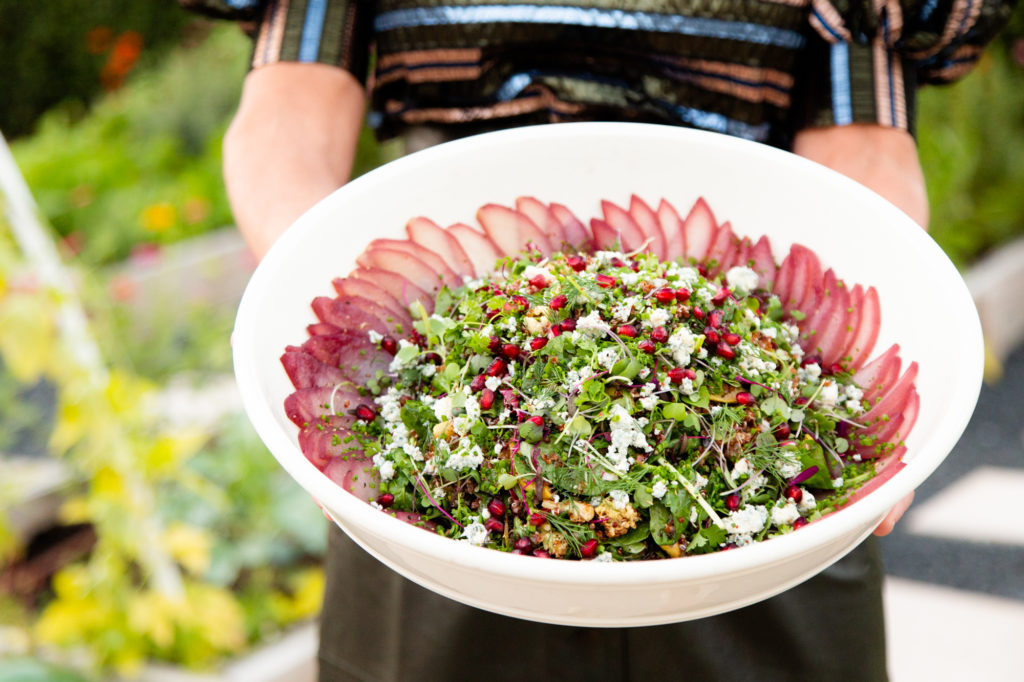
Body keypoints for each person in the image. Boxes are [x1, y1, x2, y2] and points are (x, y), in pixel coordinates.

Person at [184, 0, 1014, 679]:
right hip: (436, 449)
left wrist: (886, 341)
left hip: (762, 459)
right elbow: (287, 120)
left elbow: (859, 151)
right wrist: (340, 318)